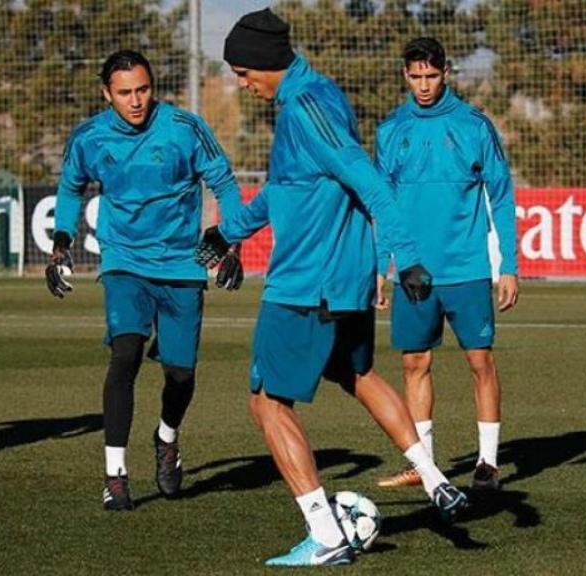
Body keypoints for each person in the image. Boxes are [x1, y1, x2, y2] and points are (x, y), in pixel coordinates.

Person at [196, 10, 466, 567]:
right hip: (341, 282)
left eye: (244, 72)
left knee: (267, 401)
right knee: (357, 374)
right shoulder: (319, 95)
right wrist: (228, 233)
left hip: (306, 283)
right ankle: (435, 477)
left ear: (268, 63)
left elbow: (365, 178)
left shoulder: (305, 109)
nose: (242, 83)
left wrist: (407, 257)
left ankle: (324, 531)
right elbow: (286, 191)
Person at [48, 50, 244, 512]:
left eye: (142, 90)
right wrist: (61, 243)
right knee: (126, 353)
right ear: (106, 94)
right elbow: (70, 186)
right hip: (123, 260)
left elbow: (226, 184)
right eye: (124, 93)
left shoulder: (185, 128)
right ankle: (115, 474)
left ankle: (167, 436)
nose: (135, 101)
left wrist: (227, 244)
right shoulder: (90, 137)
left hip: (184, 260)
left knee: (180, 374)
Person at [374, 37, 518, 492]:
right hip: (414, 274)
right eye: (415, 76)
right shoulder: (391, 130)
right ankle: (426, 464)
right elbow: (383, 206)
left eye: (431, 76)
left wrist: (508, 265)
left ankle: (488, 463)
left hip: (468, 267)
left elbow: (502, 194)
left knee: (480, 360)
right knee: (415, 362)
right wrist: (381, 268)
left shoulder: (474, 125)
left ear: (446, 72)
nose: (423, 85)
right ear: (404, 75)